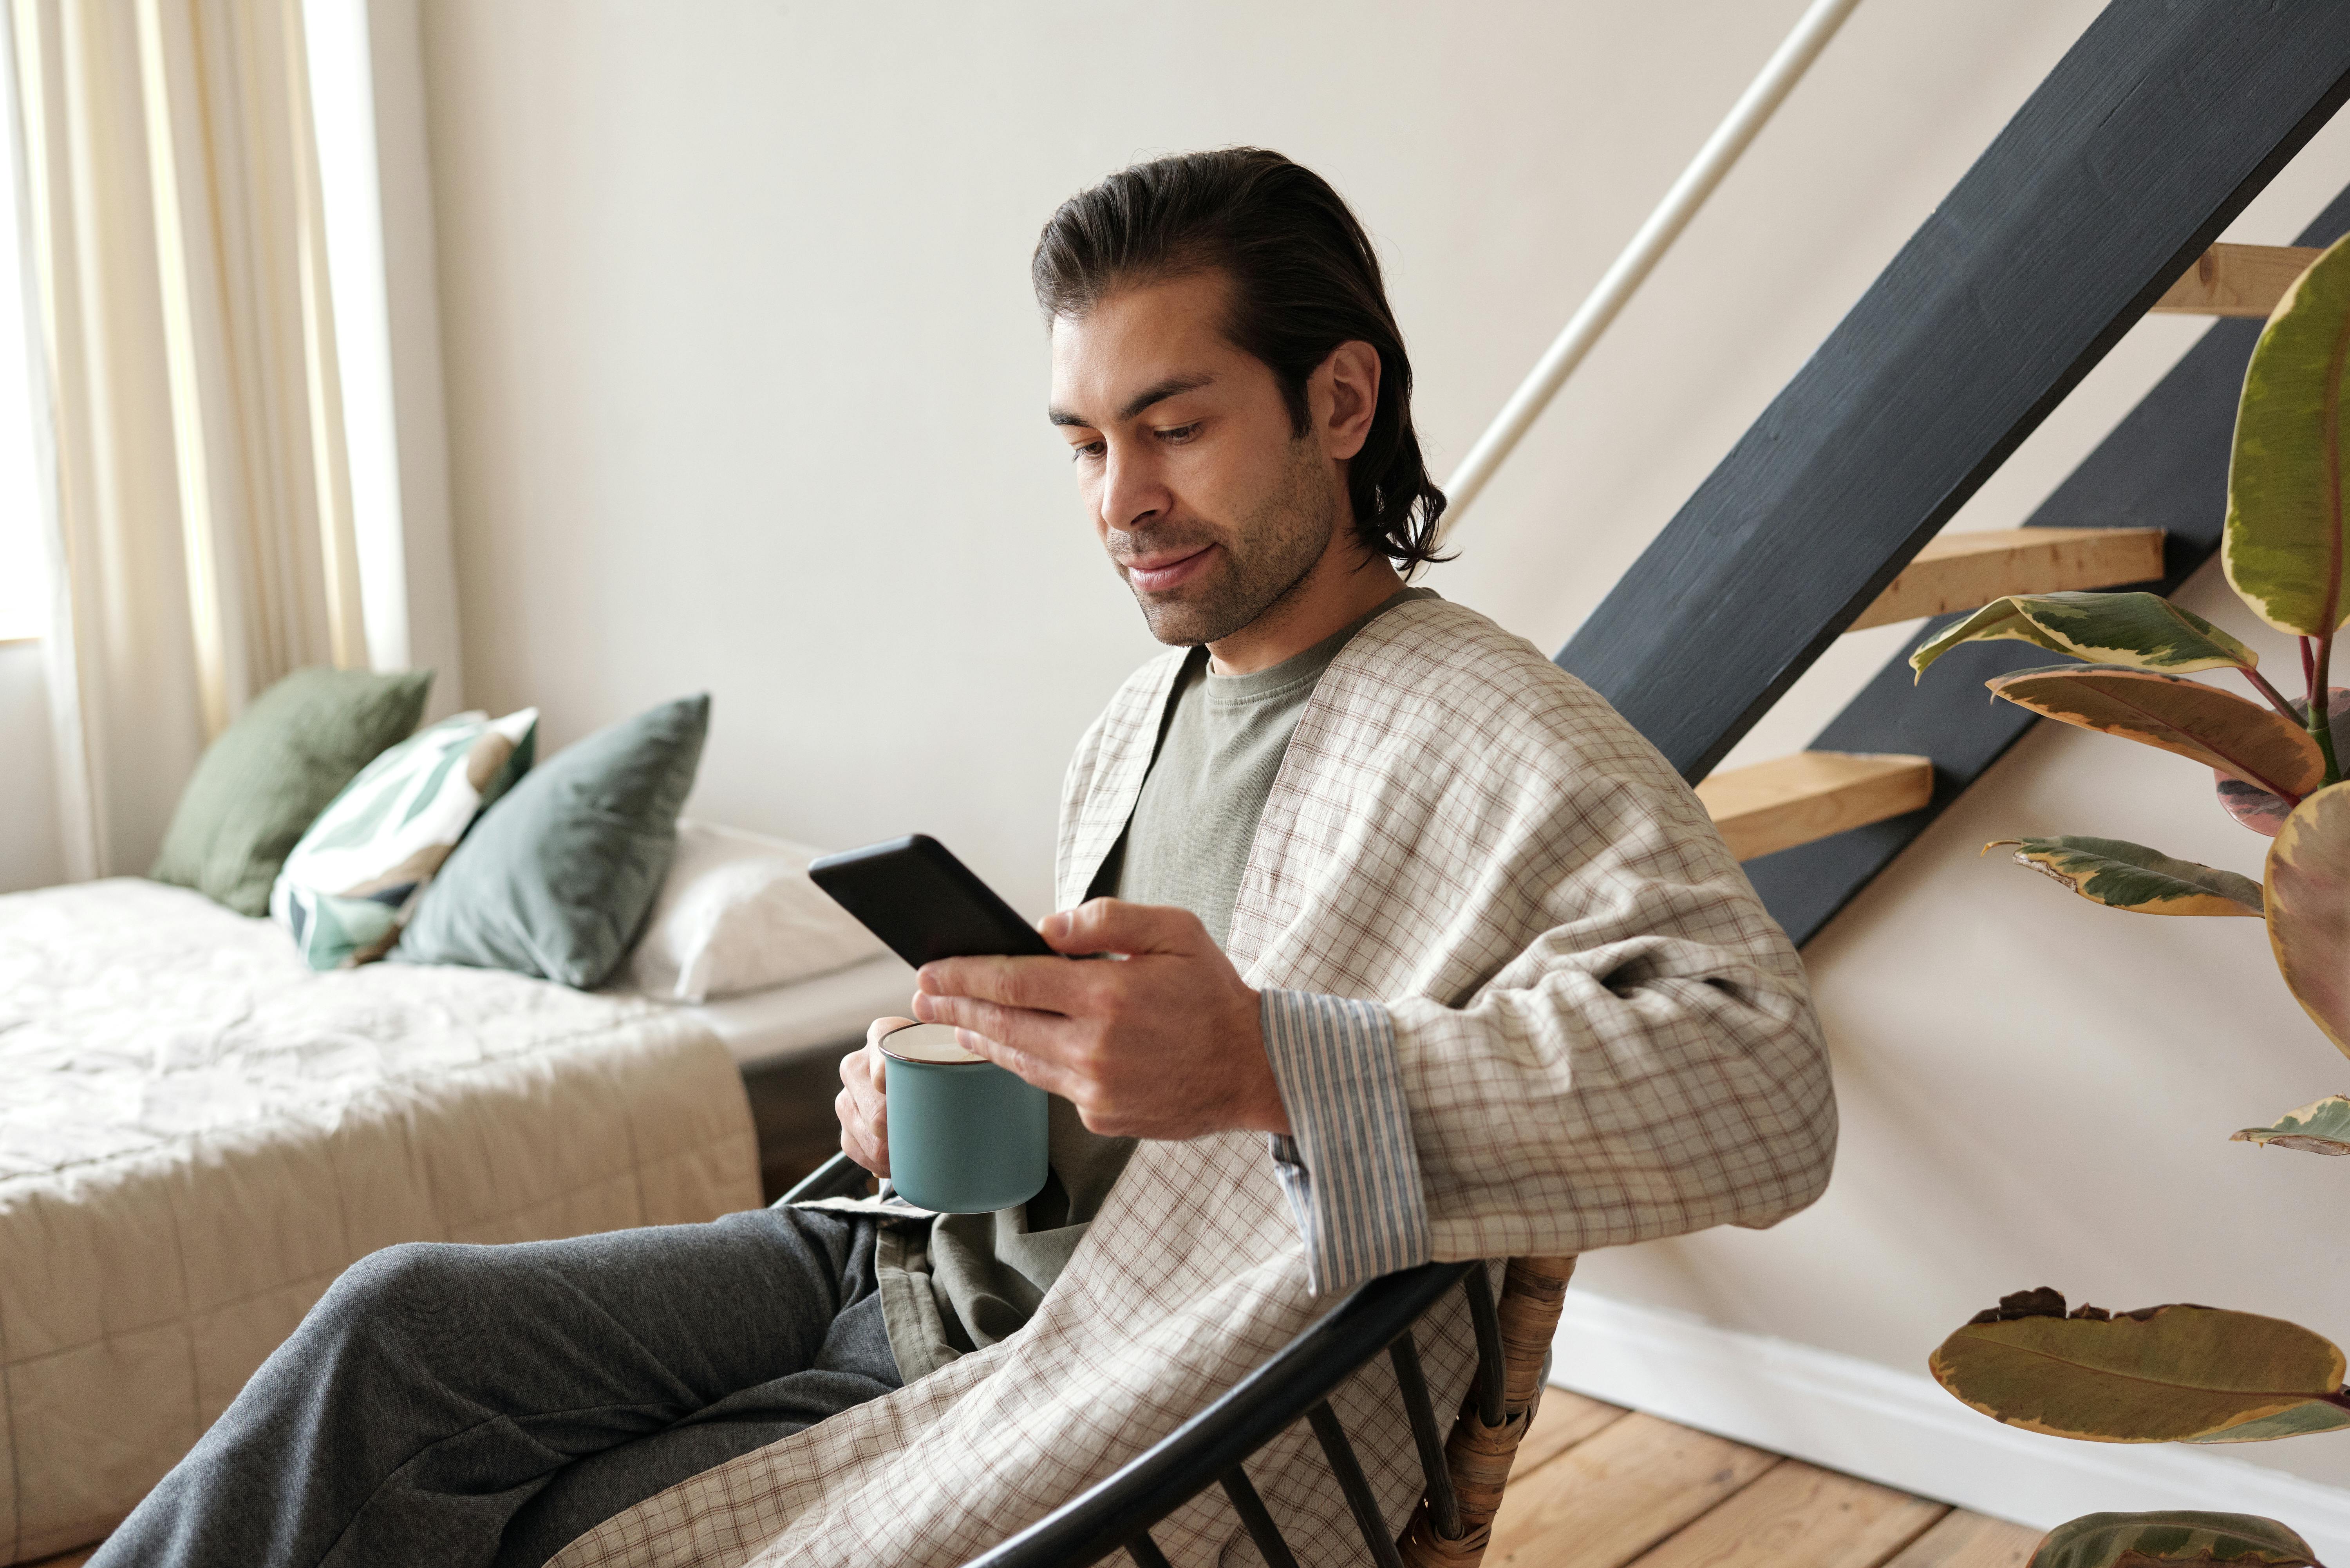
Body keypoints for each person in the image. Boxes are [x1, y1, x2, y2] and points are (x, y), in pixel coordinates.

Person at [94, 148, 1835, 1568]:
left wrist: (1268, 1061)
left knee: (529, 1522)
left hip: (1060, 1366)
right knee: (390, 1328)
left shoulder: (1500, 731)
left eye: (1173, 424)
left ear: (1341, 400)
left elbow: (1766, 1089)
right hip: (886, 1256)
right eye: (1086, 445)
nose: (1119, 498)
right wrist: (944, 1075)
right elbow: (1114, 1082)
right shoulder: (1139, 715)